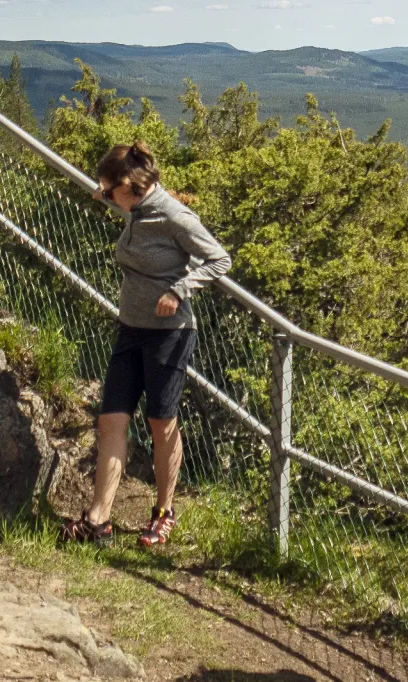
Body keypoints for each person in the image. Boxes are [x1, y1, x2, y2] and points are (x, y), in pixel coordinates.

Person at [61, 143, 231, 549]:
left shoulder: (174, 215)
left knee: (161, 422)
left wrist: (180, 289)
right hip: (130, 328)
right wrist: (106, 198)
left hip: (169, 334)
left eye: (109, 188)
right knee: (112, 420)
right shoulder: (135, 207)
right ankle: (98, 518)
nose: (104, 192)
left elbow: (219, 259)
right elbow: (125, 209)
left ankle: (163, 512)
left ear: (129, 187)